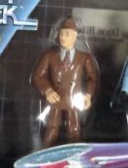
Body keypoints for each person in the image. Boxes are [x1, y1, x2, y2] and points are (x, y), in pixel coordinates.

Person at [31, 17, 100, 148]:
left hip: (73, 101)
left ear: (75, 36)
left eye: (67, 34)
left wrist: (88, 95)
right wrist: (47, 90)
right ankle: (46, 153)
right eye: (61, 33)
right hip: (55, 99)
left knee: (74, 130)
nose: (62, 37)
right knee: (51, 129)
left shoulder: (84, 57)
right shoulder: (49, 56)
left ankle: (75, 154)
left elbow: (92, 78)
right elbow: (38, 76)